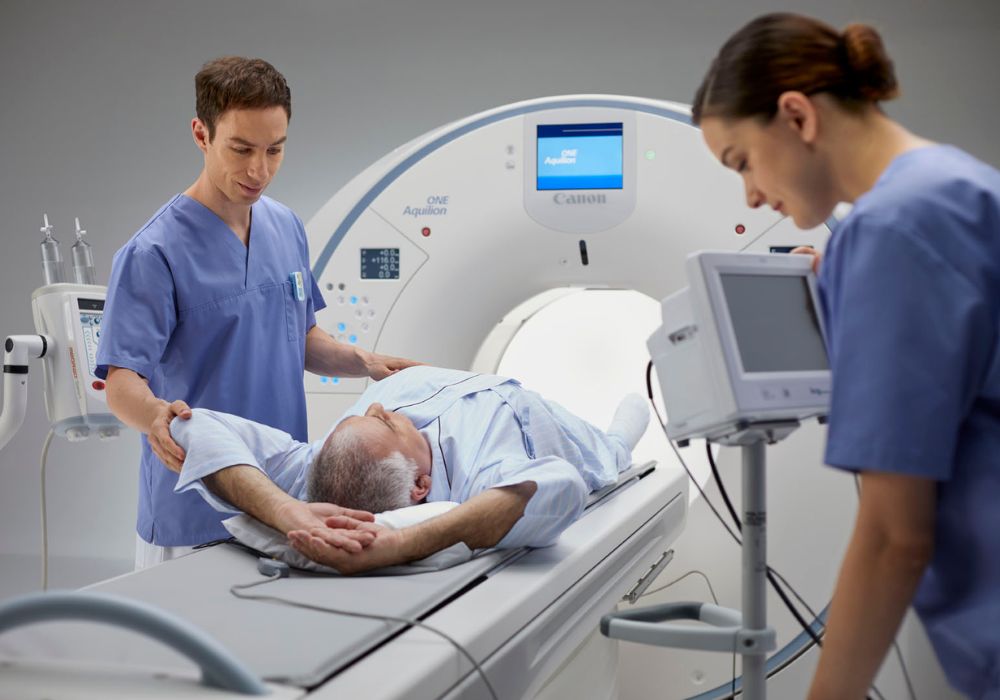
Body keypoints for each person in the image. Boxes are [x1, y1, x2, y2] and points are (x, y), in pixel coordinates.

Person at [693, 13, 1000, 700]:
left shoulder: (890, 230)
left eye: (741, 160)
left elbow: (896, 535)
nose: (749, 193)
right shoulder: (960, 186)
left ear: (796, 115)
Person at [96, 56, 419, 568]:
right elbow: (121, 381)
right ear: (201, 134)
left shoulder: (285, 226)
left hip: (284, 498)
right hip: (194, 505)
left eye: (275, 150)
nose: (258, 170)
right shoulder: (153, 252)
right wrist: (156, 416)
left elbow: (300, 337)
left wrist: (364, 360)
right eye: (241, 149)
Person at [168, 366, 651, 572]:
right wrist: (400, 544)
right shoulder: (482, 472)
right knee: (603, 458)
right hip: (537, 418)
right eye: (388, 426)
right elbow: (560, 487)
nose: (378, 407)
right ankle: (619, 438)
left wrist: (286, 510)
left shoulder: (314, 469)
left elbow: (195, 425)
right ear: (421, 486)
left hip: (447, 380)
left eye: (367, 415)